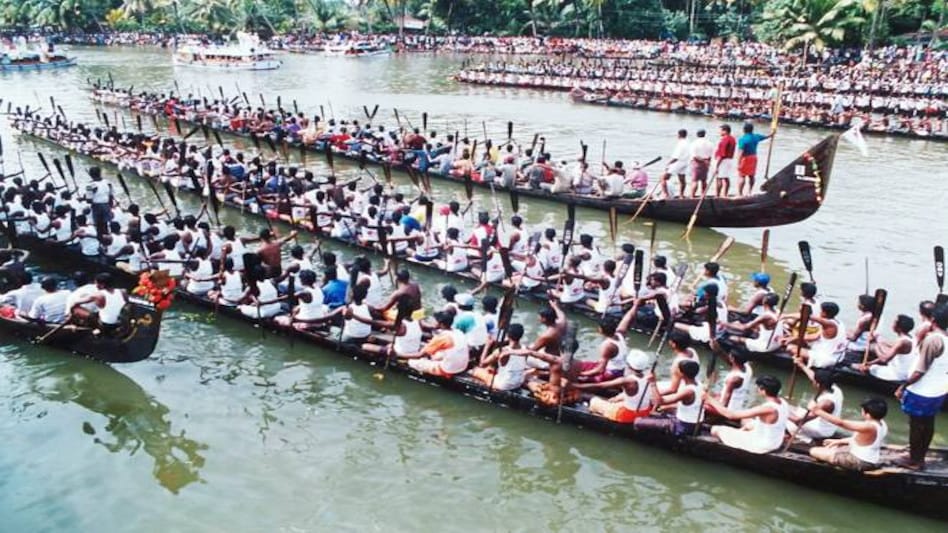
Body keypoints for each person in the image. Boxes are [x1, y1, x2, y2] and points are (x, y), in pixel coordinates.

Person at [894, 304, 948, 470]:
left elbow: (920, 370)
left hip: (922, 390)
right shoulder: (945, 339)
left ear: (932, 320)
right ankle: (919, 455)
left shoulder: (934, 340)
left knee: (916, 425)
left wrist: (903, 386)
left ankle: (915, 460)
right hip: (938, 390)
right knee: (928, 423)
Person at [706, 375, 789, 454]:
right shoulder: (783, 402)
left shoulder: (768, 408)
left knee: (715, 429)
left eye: (758, 387)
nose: (757, 389)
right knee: (746, 421)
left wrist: (709, 399)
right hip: (775, 441)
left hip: (763, 445)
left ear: (762, 390)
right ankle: (740, 434)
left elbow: (730, 415)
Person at [571, 349, 654, 423]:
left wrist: (575, 385)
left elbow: (600, 385)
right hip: (645, 411)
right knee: (613, 399)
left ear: (629, 364)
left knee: (594, 401)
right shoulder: (649, 376)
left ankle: (598, 417)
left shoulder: (627, 380)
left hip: (626, 416)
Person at [808, 397, 889, 471]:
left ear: (867, 414)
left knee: (813, 451)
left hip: (859, 461)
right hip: (868, 459)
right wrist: (839, 441)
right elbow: (861, 440)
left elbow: (841, 423)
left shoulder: (869, 426)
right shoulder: (882, 423)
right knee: (833, 448)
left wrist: (817, 411)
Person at [632, 360, 703, 436]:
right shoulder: (699, 384)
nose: (675, 371)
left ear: (682, 374)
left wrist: (653, 383)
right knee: (659, 412)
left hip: (683, 426)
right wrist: (666, 407)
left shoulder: (688, 391)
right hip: (692, 423)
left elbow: (659, 401)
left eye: (677, 369)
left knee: (637, 421)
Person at [398, 311, 470, 377]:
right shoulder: (458, 332)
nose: (433, 322)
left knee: (411, 362)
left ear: (441, 324)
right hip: (462, 366)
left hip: (448, 369)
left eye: (435, 321)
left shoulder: (441, 338)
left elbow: (419, 355)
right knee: (434, 355)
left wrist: (397, 354)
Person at [786, 368, 844, 442]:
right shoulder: (835, 388)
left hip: (822, 431)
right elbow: (813, 376)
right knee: (791, 408)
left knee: (786, 421)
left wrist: (782, 411)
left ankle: (804, 439)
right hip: (822, 422)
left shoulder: (825, 403)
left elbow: (799, 421)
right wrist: (801, 365)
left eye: (813, 381)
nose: (812, 381)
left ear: (818, 384)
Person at [856, 314, 917, 382]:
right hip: (901, 371)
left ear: (899, 328)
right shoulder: (910, 338)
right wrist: (871, 362)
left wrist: (876, 346)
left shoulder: (903, 342)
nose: (892, 324)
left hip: (897, 375)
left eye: (894, 322)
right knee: (878, 347)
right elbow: (889, 345)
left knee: (861, 367)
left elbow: (885, 359)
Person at [469, 323, 527, 391]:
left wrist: (487, 346)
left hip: (503, 385)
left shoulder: (502, 351)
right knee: (490, 368)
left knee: (475, 370)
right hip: (518, 382)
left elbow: (482, 364)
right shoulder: (525, 349)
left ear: (508, 335)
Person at [735, 122, 772, 196]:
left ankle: (740, 193)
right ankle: (749, 192)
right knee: (751, 176)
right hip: (754, 157)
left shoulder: (743, 139)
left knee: (742, 176)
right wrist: (772, 133)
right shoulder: (756, 136)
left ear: (744, 130)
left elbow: (740, 152)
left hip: (745, 158)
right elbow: (766, 136)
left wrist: (738, 163)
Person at [660, 129, 689, 198]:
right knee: (682, 179)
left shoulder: (680, 143)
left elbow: (676, 157)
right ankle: (681, 195)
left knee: (663, 178)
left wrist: (668, 163)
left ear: (678, 135)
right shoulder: (688, 143)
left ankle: (665, 194)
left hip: (678, 162)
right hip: (685, 163)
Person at [712, 124, 736, 198]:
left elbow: (722, 154)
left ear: (725, 131)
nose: (719, 132)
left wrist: (717, 166)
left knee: (719, 178)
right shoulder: (732, 138)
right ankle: (725, 194)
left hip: (723, 160)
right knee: (726, 177)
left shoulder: (725, 140)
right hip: (729, 160)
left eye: (720, 130)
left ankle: (717, 195)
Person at [689, 129, 713, 198]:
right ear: (704, 134)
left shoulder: (694, 143)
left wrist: (703, 161)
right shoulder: (709, 143)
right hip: (706, 162)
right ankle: (703, 195)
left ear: (697, 135)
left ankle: (692, 196)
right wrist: (707, 162)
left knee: (694, 180)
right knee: (704, 180)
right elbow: (710, 155)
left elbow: (694, 156)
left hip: (696, 163)